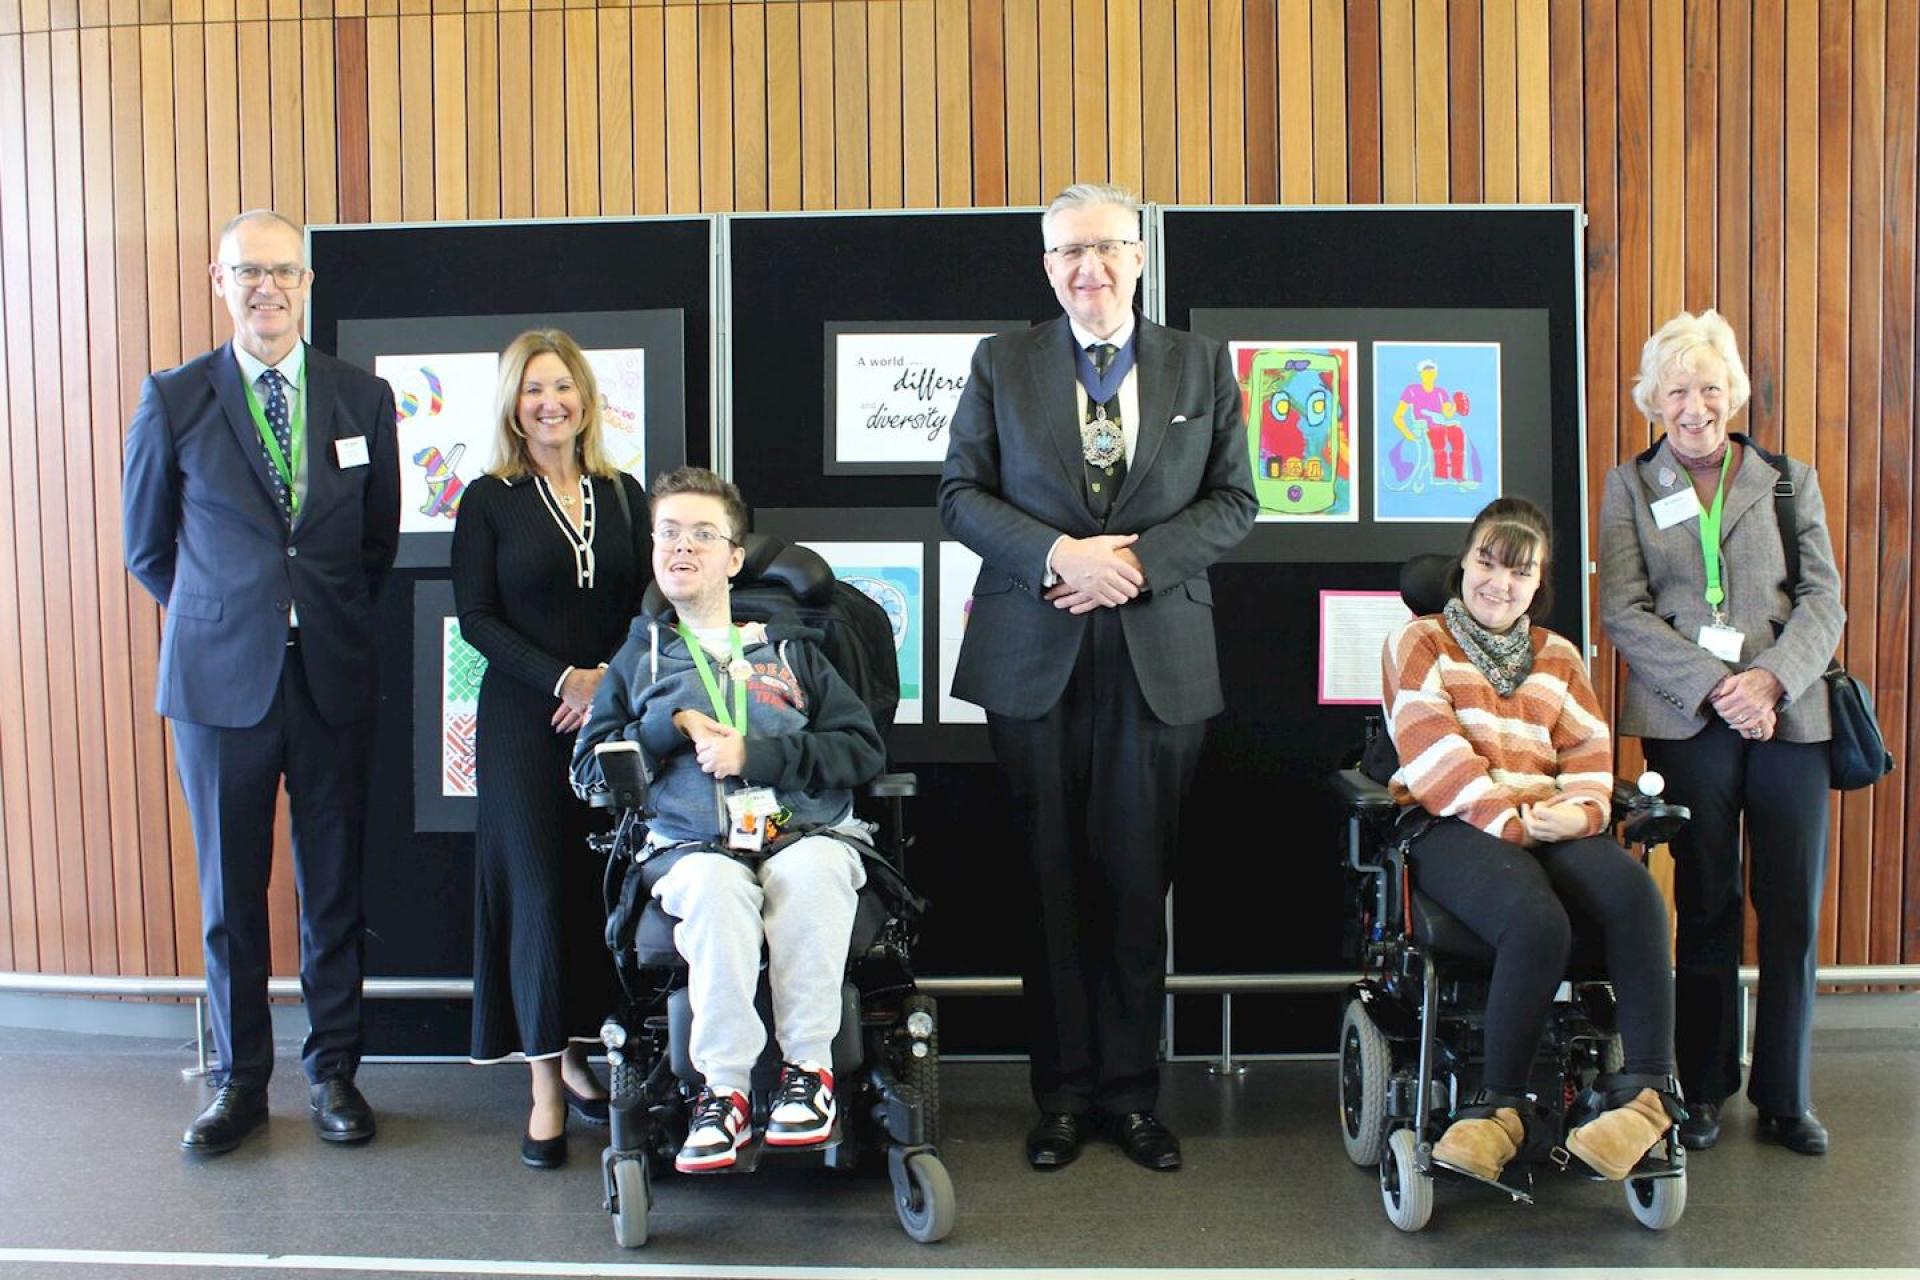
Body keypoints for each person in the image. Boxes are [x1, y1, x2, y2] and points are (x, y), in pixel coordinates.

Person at [938, 183, 1257, 1173]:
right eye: (1069, 252)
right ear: (1047, 267)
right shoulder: (1003, 362)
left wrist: (1135, 564)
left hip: (1159, 658)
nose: (1090, 268)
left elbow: (1236, 501)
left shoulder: (1201, 365)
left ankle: (1131, 1094)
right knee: (1047, 883)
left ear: (1140, 255)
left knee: (1133, 878)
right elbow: (958, 493)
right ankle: (1063, 1096)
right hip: (1033, 655)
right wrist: (1059, 556)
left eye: (1107, 248)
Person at [122, 209, 399, 1155]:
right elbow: (148, 549)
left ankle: (333, 1075)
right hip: (218, 686)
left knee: (333, 889)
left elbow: (375, 545)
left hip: (330, 677)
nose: (266, 288)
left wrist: (304, 612)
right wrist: (234, 612)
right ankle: (240, 1083)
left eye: (282, 271)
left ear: (308, 283)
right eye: (249, 272)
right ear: (219, 281)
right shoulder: (175, 399)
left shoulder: (362, 401)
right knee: (231, 895)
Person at [570, 467, 886, 1174]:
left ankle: (810, 1076)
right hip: (692, 847)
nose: (682, 547)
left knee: (812, 871)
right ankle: (725, 1093)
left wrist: (759, 753)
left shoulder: (796, 649)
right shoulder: (640, 658)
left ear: (734, 557)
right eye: (669, 533)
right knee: (715, 889)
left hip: (804, 834)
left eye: (702, 534)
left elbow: (862, 749)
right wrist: (666, 723)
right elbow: (589, 771)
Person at [1599, 309, 1845, 1156]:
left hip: (1791, 715)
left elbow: (1824, 600)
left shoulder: (1786, 480)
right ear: (1653, 401)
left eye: (1709, 387)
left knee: (1791, 914)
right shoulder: (1630, 486)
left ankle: (1786, 1096)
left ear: (1731, 392)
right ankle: (1700, 1089)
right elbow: (1622, 611)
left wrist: (1770, 680)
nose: (1694, 405)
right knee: (1703, 902)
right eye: (1677, 390)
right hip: (1685, 718)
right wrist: (1719, 688)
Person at [1382, 497, 1681, 1184]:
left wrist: (1580, 815)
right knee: (1535, 919)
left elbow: (1588, 753)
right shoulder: (1419, 641)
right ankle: (1502, 1108)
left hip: (1550, 819)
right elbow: (1434, 755)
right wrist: (1517, 824)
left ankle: (1645, 1095)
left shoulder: (1560, 655)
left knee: (1636, 892)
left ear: (1538, 582)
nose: (1500, 583)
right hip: (1453, 820)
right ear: (1464, 561)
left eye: (1519, 573)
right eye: (1488, 562)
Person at [451, 329, 648, 1169]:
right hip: (524, 720)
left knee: (595, 883)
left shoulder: (626, 492)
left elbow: (652, 601)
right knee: (533, 889)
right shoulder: (486, 499)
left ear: (585, 399)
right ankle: (541, 1086)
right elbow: (478, 620)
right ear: (512, 403)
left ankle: (581, 1050)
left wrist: (605, 684)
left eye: (563, 386)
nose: (550, 403)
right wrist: (562, 679)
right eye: (533, 389)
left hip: (612, 714)